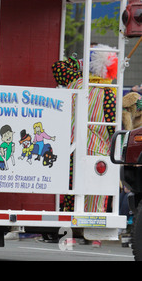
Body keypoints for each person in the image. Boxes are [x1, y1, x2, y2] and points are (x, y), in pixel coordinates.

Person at [52, 44, 118, 247]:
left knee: (73, 190)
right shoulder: (110, 93)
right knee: (96, 193)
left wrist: (75, 62)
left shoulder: (76, 82)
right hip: (99, 150)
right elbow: (111, 127)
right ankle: (93, 233)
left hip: (75, 146)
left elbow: (58, 67)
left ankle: (70, 231)